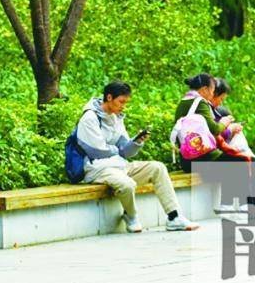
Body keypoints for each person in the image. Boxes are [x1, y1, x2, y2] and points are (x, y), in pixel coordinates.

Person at [75, 81, 198, 233]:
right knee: (127, 184)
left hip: (119, 166)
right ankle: (131, 216)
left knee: (157, 168)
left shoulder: (116, 117)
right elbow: (97, 151)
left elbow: (125, 151)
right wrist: (119, 150)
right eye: (121, 102)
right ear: (109, 97)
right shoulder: (89, 118)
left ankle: (174, 217)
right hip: (97, 169)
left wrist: (136, 142)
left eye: (126, 102)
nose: (123, 106)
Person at [173, 74, 255, 216]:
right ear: (204, 89)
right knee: (242, 161)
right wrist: (226, 123)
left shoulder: (184, 102)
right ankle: (245, 206)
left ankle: (241, 205)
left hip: (187, 159)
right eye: (212, 89)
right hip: (202, 158)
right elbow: (214, 129)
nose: (212, 93)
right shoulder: (200, 102)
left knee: (236, 160)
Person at [210, 77, 255, 176]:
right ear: (213, 94)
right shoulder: (203, 110)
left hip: (214, 151)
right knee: (241, 159)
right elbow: (210, 137)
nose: (221, 103)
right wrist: (229, 130)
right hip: (207, 155)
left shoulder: (211, 109)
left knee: (237, 134)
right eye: (221, 99)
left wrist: (231, 129)